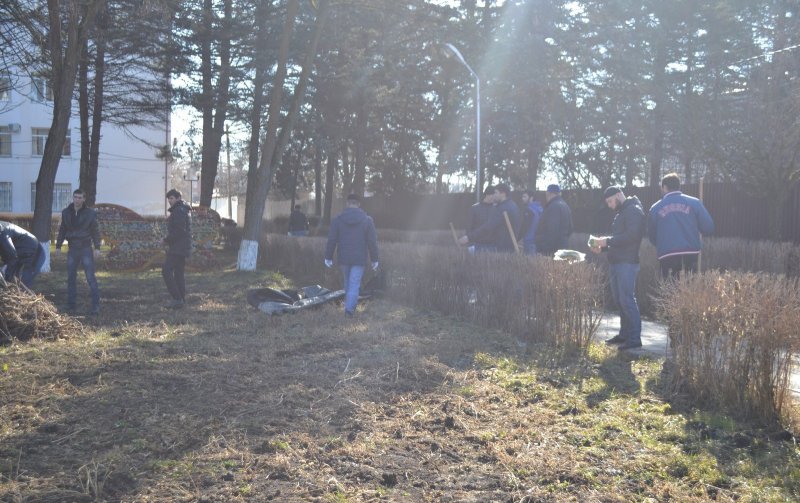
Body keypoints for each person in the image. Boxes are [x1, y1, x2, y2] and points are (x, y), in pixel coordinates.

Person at [590, 186, 646, 350]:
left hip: (627, 263)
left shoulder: (633, 210)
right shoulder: (622, 212)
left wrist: (606, 241)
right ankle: (624, 334)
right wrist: (602, 248)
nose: (609, 205)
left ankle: (634, 338)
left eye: (610, 201)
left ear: (619, 195)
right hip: (617, 262)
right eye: (607, 202)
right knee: (620, 300)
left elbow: (632, 236)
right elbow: (618, 240)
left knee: (627, 299)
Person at [648, 172, 715, 279]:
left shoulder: (655, 208)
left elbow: (651, 236)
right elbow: (708, 228)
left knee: (670, 291)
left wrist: (663, 243)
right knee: (689, 291)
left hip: (667, 255)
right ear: (679, 186)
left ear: (664, 187)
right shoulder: (695, 203)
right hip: (690, 254)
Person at [324, 194, 379, 316]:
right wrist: (375, 259)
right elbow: (372, 242)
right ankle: (349, 310)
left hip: (343, 257)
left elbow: (332, 239)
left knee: (347, 282)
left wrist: (328, 256)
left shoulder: (337, 220)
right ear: (359, 204)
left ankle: (349, 306)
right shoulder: (367, 220)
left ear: (347, 203)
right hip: (359, 258)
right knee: (354, 283)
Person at [55, 189, 101, 314]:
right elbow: (62, 230)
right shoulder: (66, 212)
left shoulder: (90, 213)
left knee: (90, 277)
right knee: (71, 278)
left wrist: (97, 247)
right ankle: (71, 305)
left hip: (86, 248)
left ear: (84, 199)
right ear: (73, 198)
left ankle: (96, 305)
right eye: (75, 197)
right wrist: (58, 246)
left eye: (80, 197)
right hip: (72, 249)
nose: (77, 199)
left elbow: (95, 231)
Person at [458, 183, 520, 253]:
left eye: (496, 193)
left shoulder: (502, 208)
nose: (494, 195)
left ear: (503, 194)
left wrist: (468, 238)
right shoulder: (513, 205)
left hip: (500, 247)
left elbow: (489, 226)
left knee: (469, 251)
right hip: (508, 246)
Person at [162, 189, 192, 309]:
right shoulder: (182, 209)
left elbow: (179, 231)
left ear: (178, 198)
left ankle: (177, 298)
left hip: (178, 248)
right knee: (178, 274)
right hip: (181, 247)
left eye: (172, 198)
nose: (170, 201)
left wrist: (166, 240)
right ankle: (181, 300)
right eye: (169, 198)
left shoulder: (179, 210)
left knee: (166, 270)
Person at [0, 221, 46, 288]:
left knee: (23, 280)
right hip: (21, 251)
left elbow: (12, 256)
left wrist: (6, 275)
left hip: (34, 252)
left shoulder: (2, 233)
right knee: (13, 277)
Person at [536, 183, 573, 256]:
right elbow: (571, 228)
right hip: (563, 247)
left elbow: (552, 230)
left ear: (548, 193)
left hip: (552, 250)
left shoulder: (553, 207)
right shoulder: (565, 206)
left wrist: (544, 249)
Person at [465, 186, 497, 253]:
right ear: (488, 195)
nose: (495, 197)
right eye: (494, 195)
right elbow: (469, 227)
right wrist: (470, 245)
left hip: (492, 245)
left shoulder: (496, 209)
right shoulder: (474, 208)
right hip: (477, 244)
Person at [518, 189, 543, 255]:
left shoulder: (529, 210)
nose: (522, 199)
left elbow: (524, 227)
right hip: (538, 242)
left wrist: (518, 238)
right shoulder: (541, 209)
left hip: (528, 241)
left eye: (525, 197)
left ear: (531, 198)